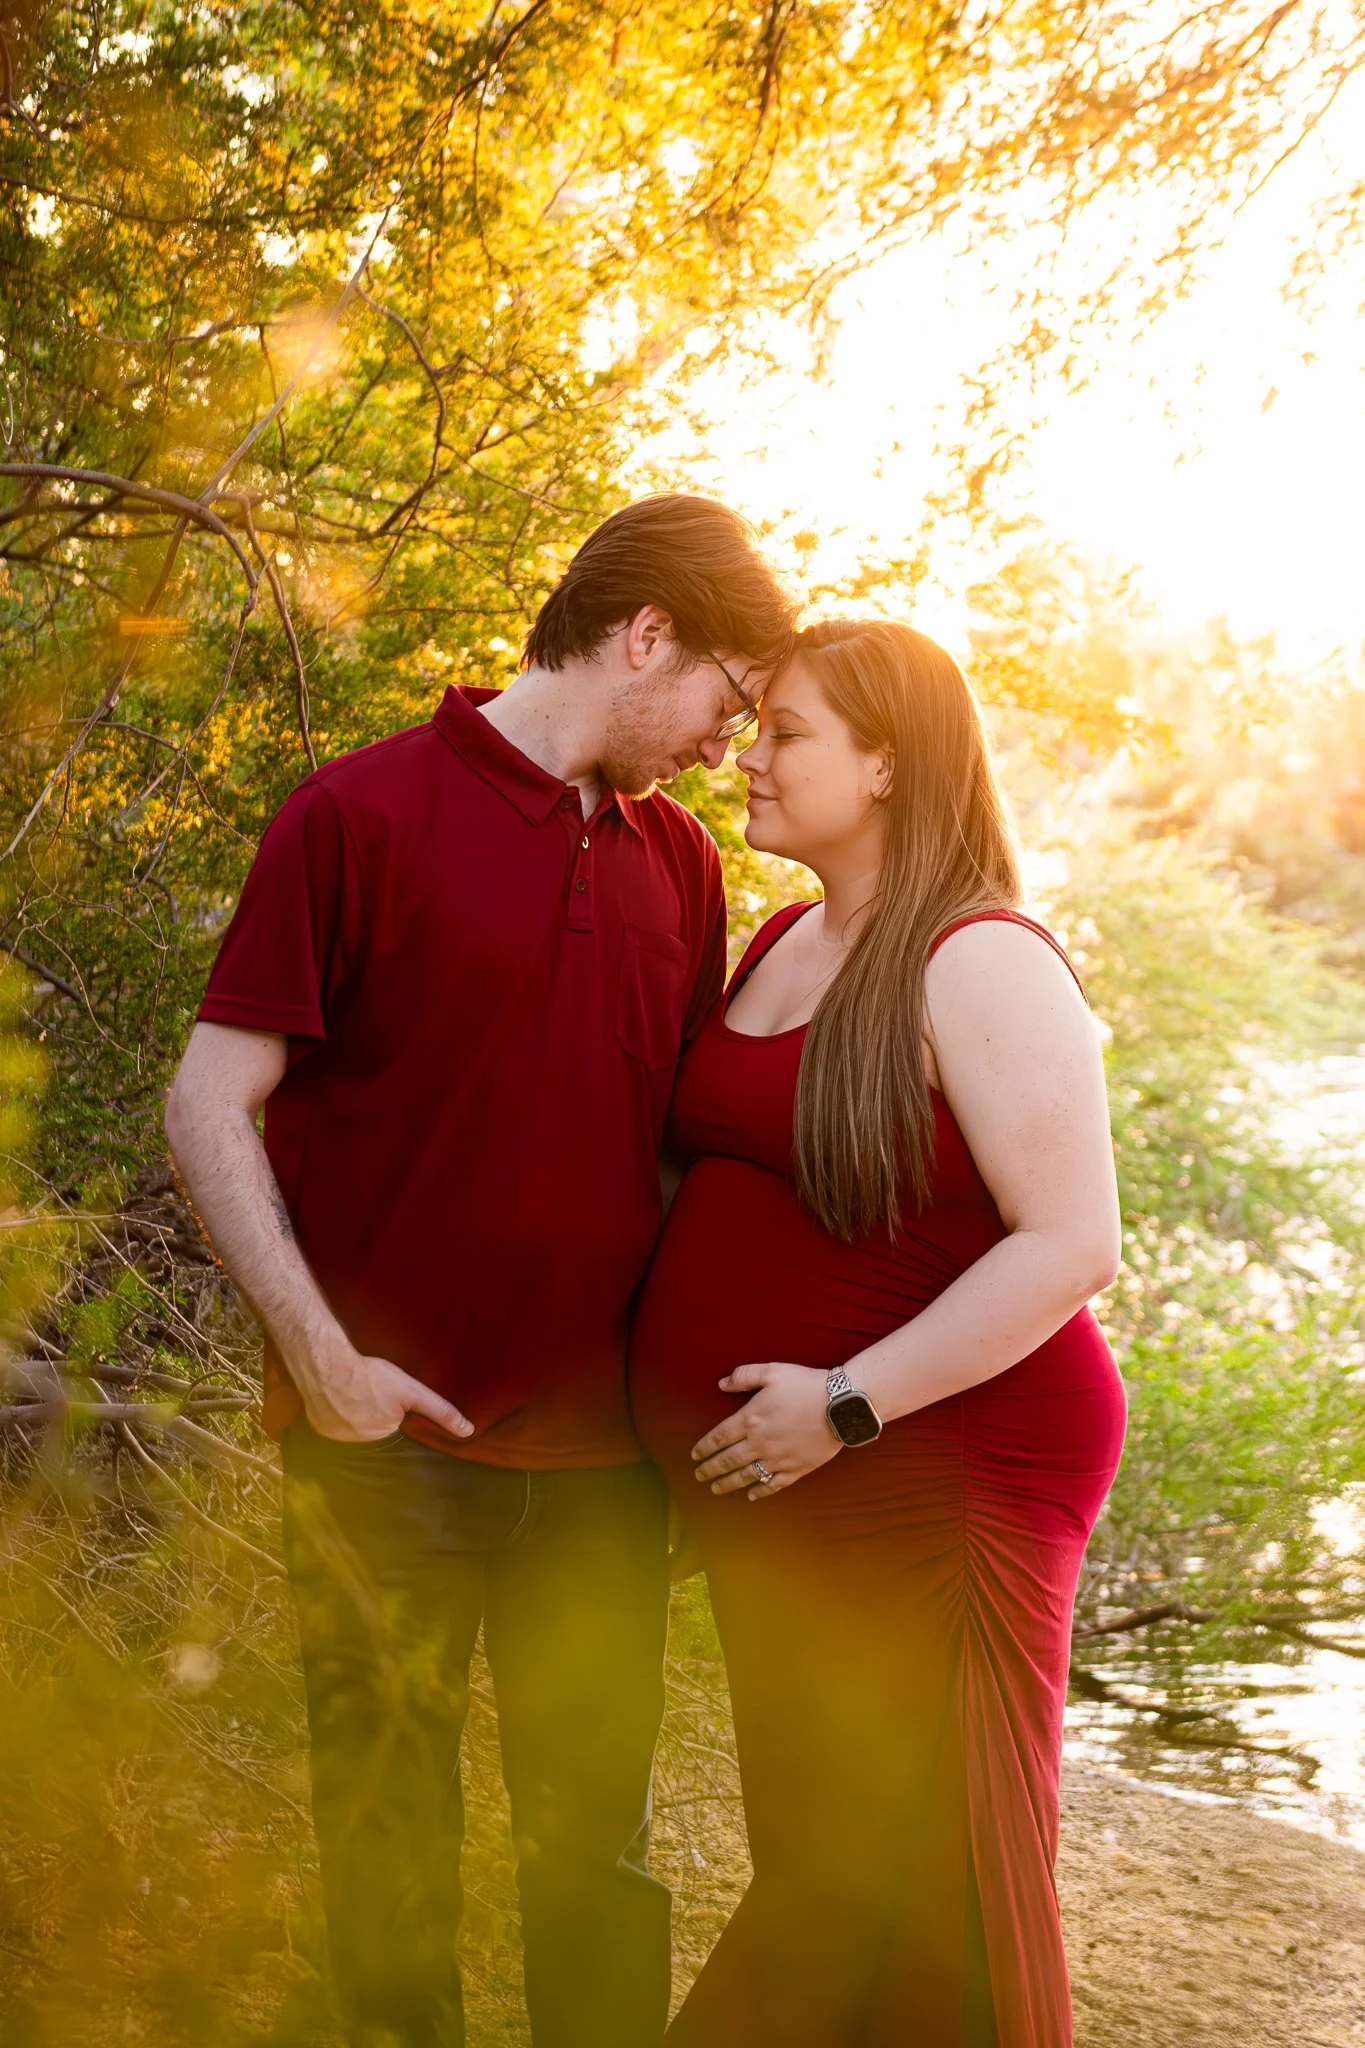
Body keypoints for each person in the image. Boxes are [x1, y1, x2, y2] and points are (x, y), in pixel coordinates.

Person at [164, 493, 796, 2048]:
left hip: (601, 1474)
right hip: (384, 1454)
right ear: (648, 636)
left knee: (596, 1856)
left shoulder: (681, 873)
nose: (727, 742)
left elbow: (674, 1160)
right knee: (385, 1851)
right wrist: (320, 1357)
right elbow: (208, 1102)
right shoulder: (355, 818)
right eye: (725, 695)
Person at [629, 618, 1127, 2048]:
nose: (750, 756)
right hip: (789, 1499)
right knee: (825, 1870)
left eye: (786, 733)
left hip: (937, 1486)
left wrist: (845, 1403)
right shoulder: (790, 933)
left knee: (920, 1891)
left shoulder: (981, 958)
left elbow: (1072, 1242)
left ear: (889, 765)